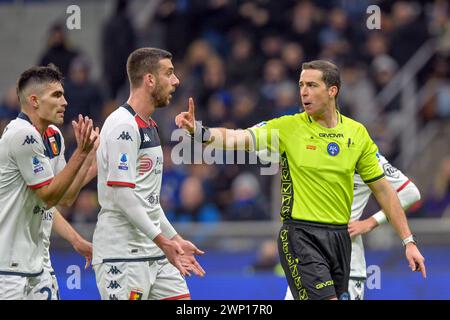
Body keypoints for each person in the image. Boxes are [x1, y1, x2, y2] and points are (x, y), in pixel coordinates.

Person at [175, 60, 426, 300]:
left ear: (332, 91)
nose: (303, 92)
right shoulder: (287, 128)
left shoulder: (356, 134)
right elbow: (237, 138)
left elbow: (385, 190)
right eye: (301, 85)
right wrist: (201, 132)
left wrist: (407, 241)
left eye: (312, 85)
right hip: (302, 235)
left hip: (340, 240)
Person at [93, 47, 205, 300]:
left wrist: (174, 239)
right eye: (169, 73)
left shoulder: (150, 125)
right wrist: (162, 240)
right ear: (150, 79)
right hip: (122, 255)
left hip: (155, 250)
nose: (176, 81)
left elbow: (149, 202)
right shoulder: (123, 125)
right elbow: (122, 195)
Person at [0, 65, 97, 299]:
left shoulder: (53, 135)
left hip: (39, 265)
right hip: (8, 268)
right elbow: (49, 195)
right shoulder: (21, 134)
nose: (64, 102)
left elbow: (64, 197)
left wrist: (94, 160)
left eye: (63, 94)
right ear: (34, 100)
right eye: (56, 95)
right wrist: (81, 154)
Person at [285, 153, 421, 300]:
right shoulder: (308, 142)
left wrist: (370, 222)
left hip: (346, 264)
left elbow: (410, 193)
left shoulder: (360, 149)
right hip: (306, 258)